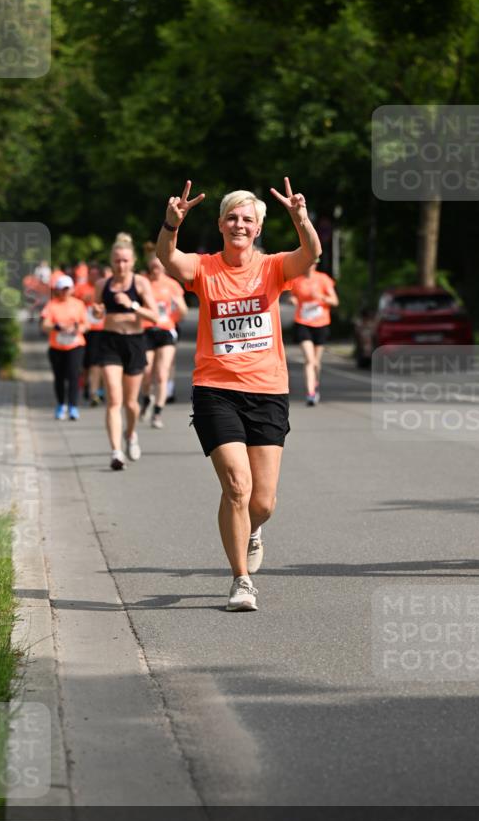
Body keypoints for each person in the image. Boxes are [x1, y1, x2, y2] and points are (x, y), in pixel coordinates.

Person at [157, 178, 321, 611]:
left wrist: (301, 219)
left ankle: (252, 529)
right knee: (236, 486)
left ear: (258, 227)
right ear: (220, 223)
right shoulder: (206, 268)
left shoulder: (273, 268)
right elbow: (167, 259)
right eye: (232, 217)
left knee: (261, 502)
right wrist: (171, 225)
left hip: (268, 390)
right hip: (216, 389)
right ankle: (241, 581)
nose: (239, 224)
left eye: (247, 218)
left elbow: (312, 255)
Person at [93, 234, 158, 470]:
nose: (121, 265)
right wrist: (98, 312)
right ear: (111, 261)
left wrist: (132, 304)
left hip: (134, 342)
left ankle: (130, 434)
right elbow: (96, 312)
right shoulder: (102, 285)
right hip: (110, 342)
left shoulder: (140, 283)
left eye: (125, 261)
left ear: (132, 262)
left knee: (131, 403)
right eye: (117, 260)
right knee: (113, 399)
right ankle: (116, 452)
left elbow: (155, 315)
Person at [139, 254, 188, 428]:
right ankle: (146, 398)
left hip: (166, 331)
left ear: (164, 268)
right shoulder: (142, 283)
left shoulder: (172, 285)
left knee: (161, 374)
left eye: (158, 267)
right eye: (152, 267)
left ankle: (157, 413)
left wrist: (174, 316)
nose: (155, 270)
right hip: (146, 330)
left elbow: (183, 310)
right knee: (146, 372)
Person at [288, 260, 339, 404]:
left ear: (316, 264)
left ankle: (315, 382)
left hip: (321, 323)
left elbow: (335, 301)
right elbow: (293, 295)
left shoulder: (323, 279)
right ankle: (310, 393)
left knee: (316, 362)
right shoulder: (297, 280)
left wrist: (322, 297)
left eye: (312, 263)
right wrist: (292, 300)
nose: (309, 265)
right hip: (303, 323)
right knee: (309, 360)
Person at [40, 275, 89, 420]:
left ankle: (73, 406)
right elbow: (44, 325)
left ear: (72, 289)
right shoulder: (52, 305)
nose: (65, 292)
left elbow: (86, 325)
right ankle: (61, 404)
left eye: (68, 289)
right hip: (57, 347)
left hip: (75, 345)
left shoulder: (79, 304)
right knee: (59, 377)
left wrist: (76, 328)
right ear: (58, 290)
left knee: (74, 376)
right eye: (62, 289)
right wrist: (56, 326)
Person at [73, 262, 105, 405]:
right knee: (85, 362)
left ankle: (95, 390)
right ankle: (87, 385)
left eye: (95, 274)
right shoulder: (80, 288)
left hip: (99, 329)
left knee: (96, 361)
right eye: (90, 274)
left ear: (99, 275)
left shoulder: (104, 287)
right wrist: (81, 300)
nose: (93, 277)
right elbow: (72, 303)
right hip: (85, 329)